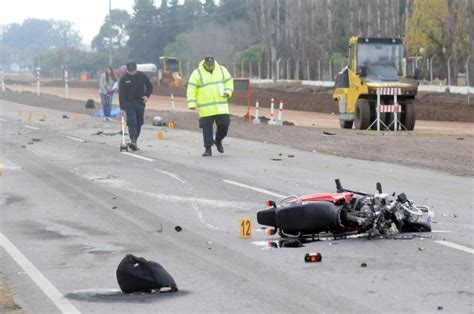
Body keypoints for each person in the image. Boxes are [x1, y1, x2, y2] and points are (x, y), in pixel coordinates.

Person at [186, 56, 234, 157]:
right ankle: (208, 149)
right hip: (206, 108)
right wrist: (191, 103)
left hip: (221, 107)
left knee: (224, 125)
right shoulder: (197, 73)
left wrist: (228, 91)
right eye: (208, 65)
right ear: (204, 64)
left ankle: (218, 140)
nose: (210, 66)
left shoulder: (221, 70)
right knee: (206, 128)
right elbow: (191, 88)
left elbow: (229, 81)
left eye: (212, 64)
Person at [118, 60, 153, 151]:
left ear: (136, 69)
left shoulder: (142, 76)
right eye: (130, 70)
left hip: (140, 102)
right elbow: (121, 94)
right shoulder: (124, 79)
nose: (132, 72)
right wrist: (122, 108)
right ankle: (133, 139)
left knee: (139, 122)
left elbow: (149, 86)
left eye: (133, 70)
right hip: (129, 103)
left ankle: (135, 141)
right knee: (132, 121)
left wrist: (147, 96)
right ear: (127, 70)